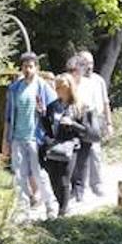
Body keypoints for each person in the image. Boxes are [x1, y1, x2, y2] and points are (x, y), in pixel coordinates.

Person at [2, 52, 59, 218]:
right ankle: (23, 210)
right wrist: (5, 140)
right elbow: (8, 117)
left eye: (31, 66)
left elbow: (55, 110)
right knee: (19, 175)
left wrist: (43, 112)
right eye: (25, 66)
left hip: (36, 138)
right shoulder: (14, 89)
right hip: (17, 137)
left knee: (39, 174)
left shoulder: (43, 87)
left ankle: (51, 206)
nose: (27, 69)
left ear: (37, 68)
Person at [41, 74, 94, 213]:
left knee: (64, 178)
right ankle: (61, 203)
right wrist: (41, 114)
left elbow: (87, 131)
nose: (59, 90)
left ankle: (62, 211)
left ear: (70, 87)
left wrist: (73, 124)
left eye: (62, 87)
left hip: (71, 146)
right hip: (54, 146)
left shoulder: (80, 106)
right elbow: (47, 127)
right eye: (57, 87)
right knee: (53, 179)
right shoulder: (52, 106)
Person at [71, 51, 112, 197]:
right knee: (79, 154)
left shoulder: (98, 80)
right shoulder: (76, 81)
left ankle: (96, 184)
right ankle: (77, 187)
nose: (89, 66)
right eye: (85, 63)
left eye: (91, 63)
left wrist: (109, 123)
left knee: (95, 152)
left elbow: (106, 103)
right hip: (81, 120)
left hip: (96, 119)